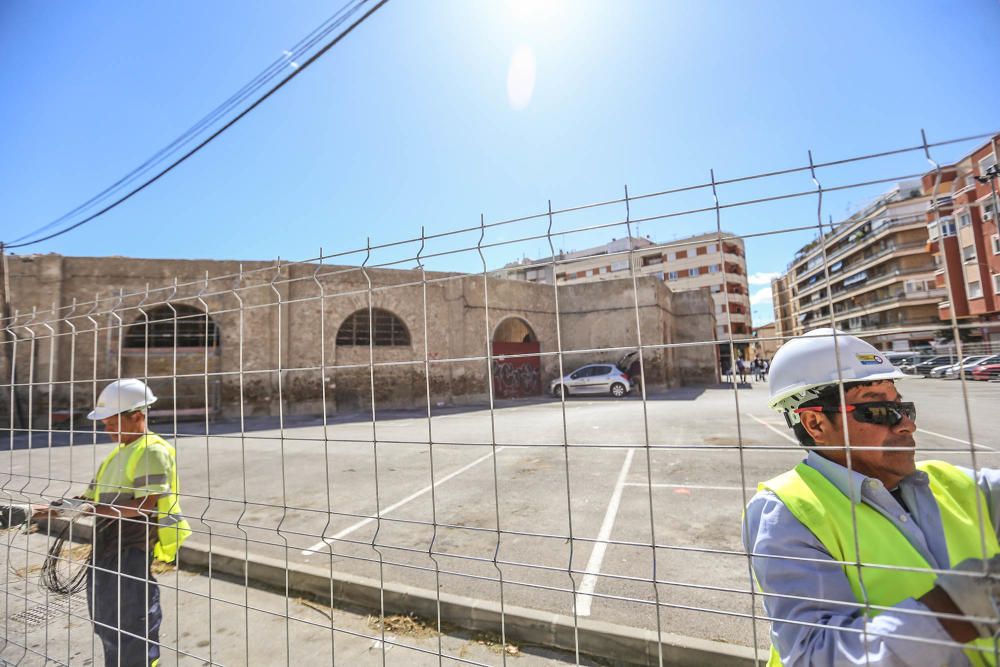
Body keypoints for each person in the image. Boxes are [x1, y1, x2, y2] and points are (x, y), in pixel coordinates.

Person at [743, 328, 1000, 666]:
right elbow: (813, 655)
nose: (907, 425)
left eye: (903, 408)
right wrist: (957, 610)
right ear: (815, 423)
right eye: (878, 411)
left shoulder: (954, 483)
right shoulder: (788, 513)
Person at [35, 379, 191, 667]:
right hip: (108, 548)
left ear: (137, 416)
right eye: (104, 423)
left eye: (111, 423)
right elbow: (89, 499)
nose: (106, 430)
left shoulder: (151, 450)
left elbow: (145, 507)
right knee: (108, 624)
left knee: (132, 628)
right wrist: (54, 510)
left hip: (131, 550)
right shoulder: (118, 455)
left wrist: (95, 507)